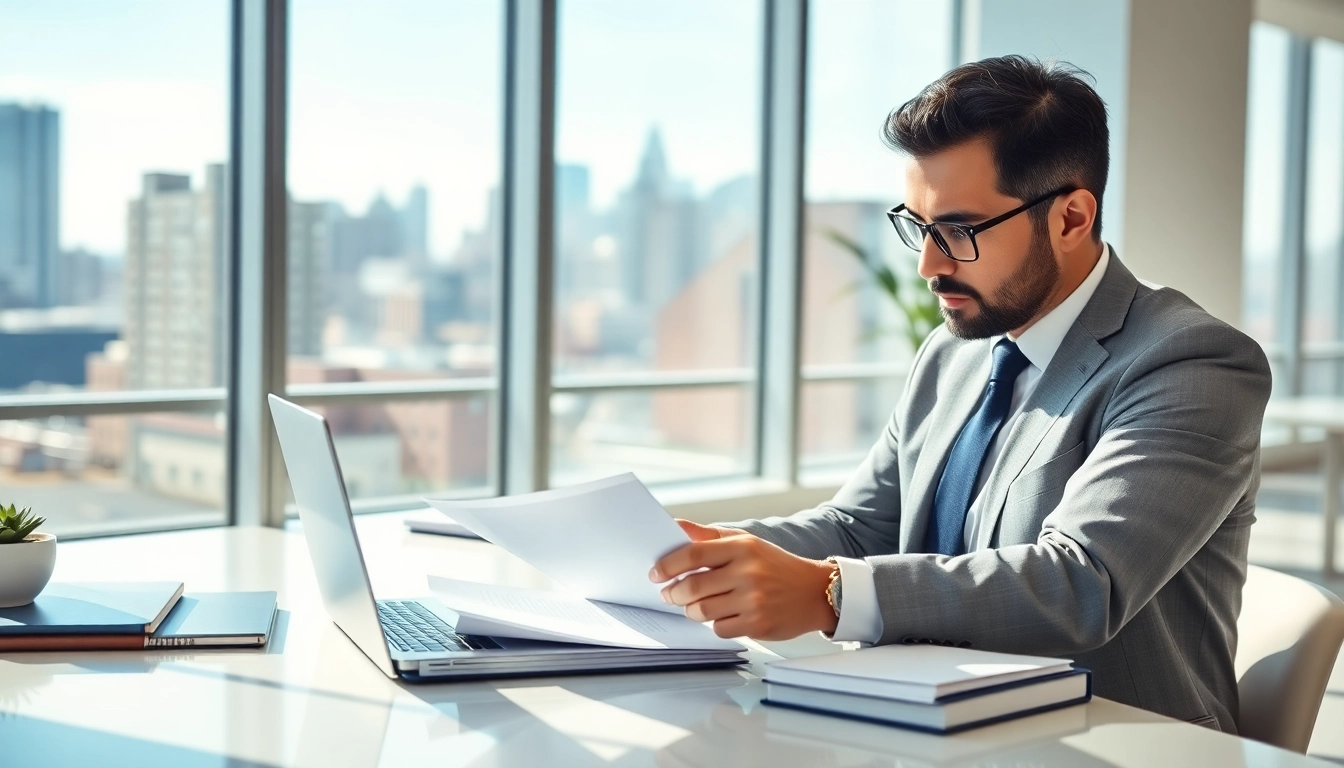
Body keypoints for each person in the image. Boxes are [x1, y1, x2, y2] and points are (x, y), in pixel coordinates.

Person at [650, 55, 1271, 733]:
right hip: (919, 726)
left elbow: (1083, 582)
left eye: (960, 231)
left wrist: (829, 593)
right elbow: (863, 525)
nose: (928, 264)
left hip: (1111, 740)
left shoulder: (1191, 362)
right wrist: (696, 554)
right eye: (917, 225)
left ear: (1070, 218)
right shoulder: (955, 351)